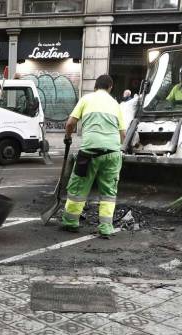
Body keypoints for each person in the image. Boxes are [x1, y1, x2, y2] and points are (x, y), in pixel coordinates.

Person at [60, 74, 126, 239]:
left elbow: (70, 123)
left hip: (89, 153)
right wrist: (115, 147)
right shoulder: (115, 103)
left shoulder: (86, 99)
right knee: (109, 191)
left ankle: (70, 222)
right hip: (112, 153)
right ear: (110, 88)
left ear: (95, 86)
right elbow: (123, 134)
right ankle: (105, 226)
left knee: (78, 188)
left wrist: (68, 137)